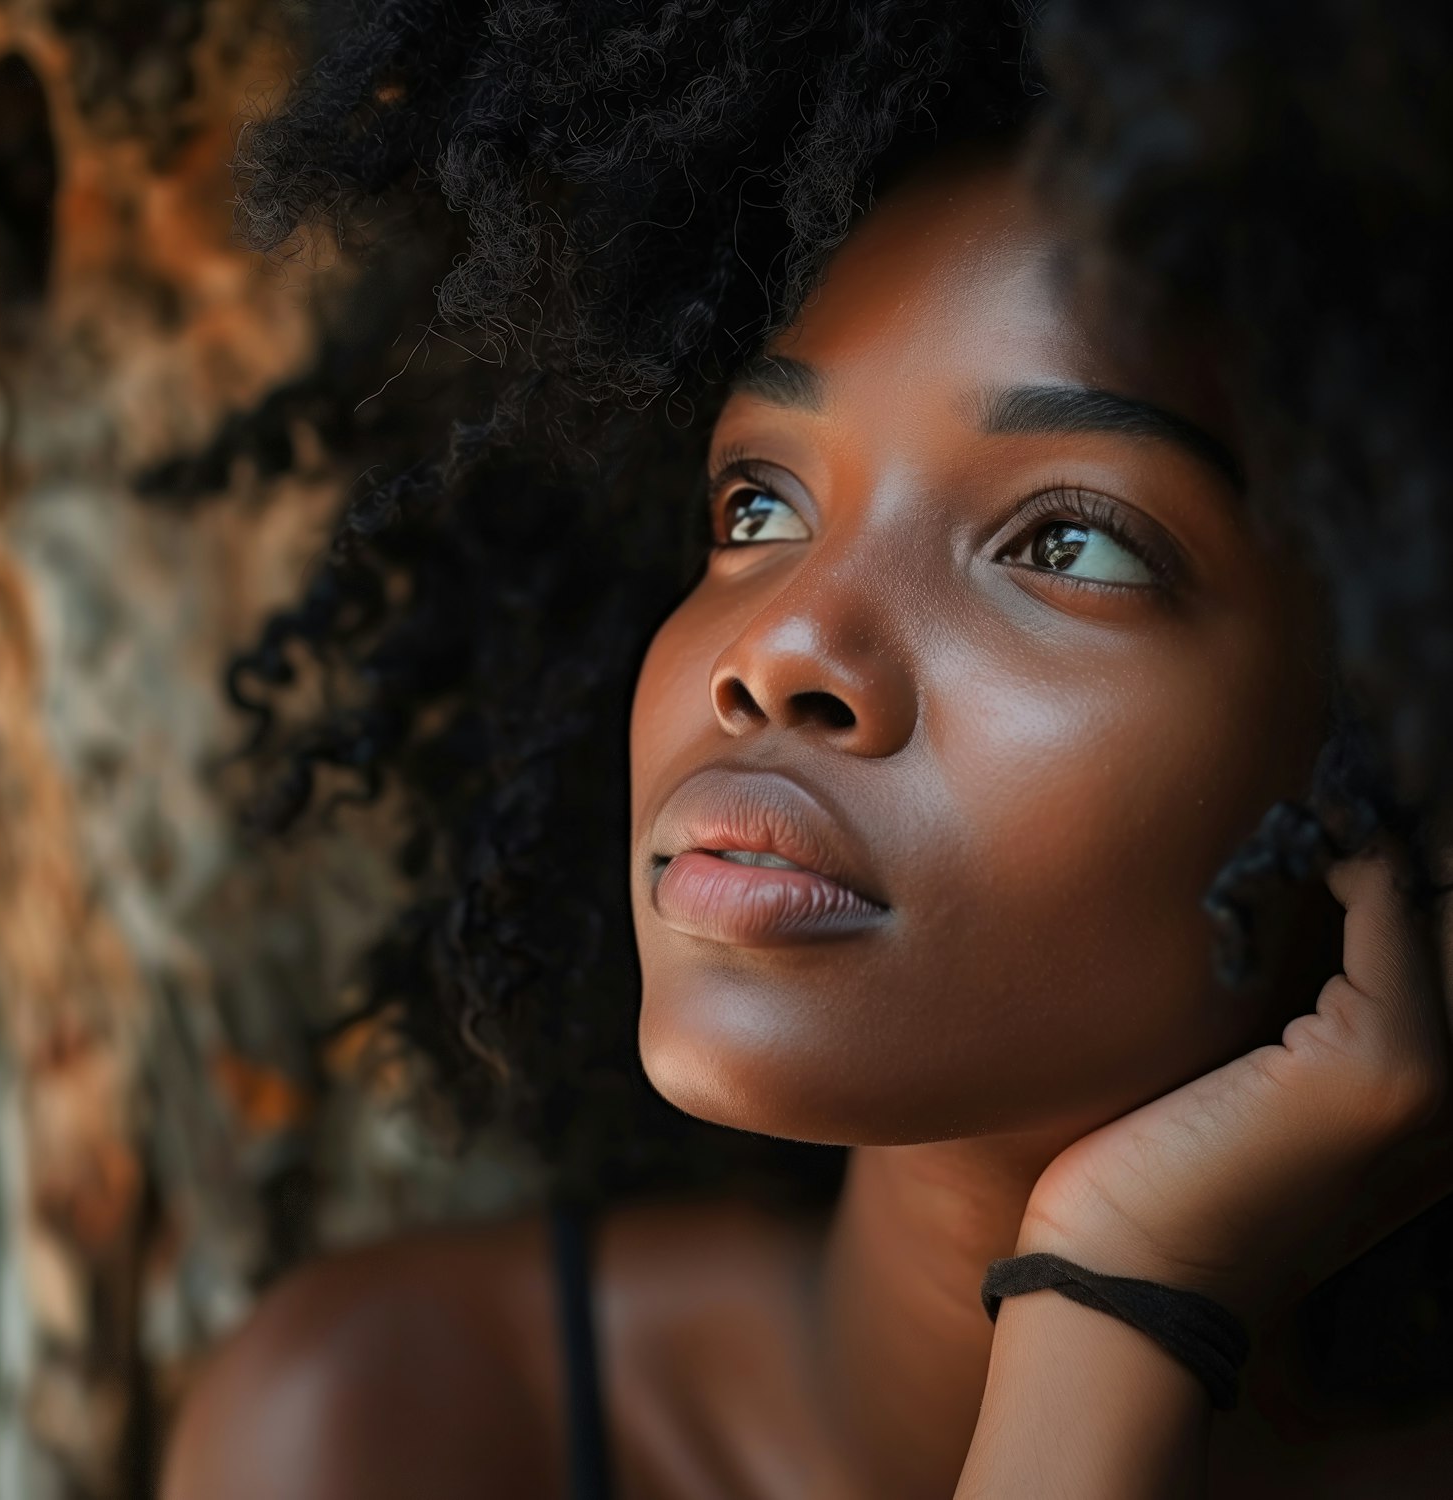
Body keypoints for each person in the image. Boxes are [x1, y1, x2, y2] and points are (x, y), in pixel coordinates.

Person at [162, 2, 1453, 1495]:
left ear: (1397, 730)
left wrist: (1127, 1288)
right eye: (759, 507)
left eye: (1071, 543)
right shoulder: (395, 1427)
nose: (781, 648)